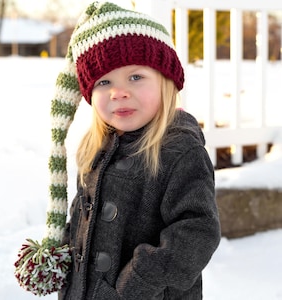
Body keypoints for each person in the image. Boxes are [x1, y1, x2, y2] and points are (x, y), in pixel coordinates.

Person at [14, 1, 221, 299]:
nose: (119, 91)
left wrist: (139, 280)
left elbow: (197, 232)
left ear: (166, 82)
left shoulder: (179, 151)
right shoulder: (96, 147)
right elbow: (86, 219)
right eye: (104, 81)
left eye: (136, 77)